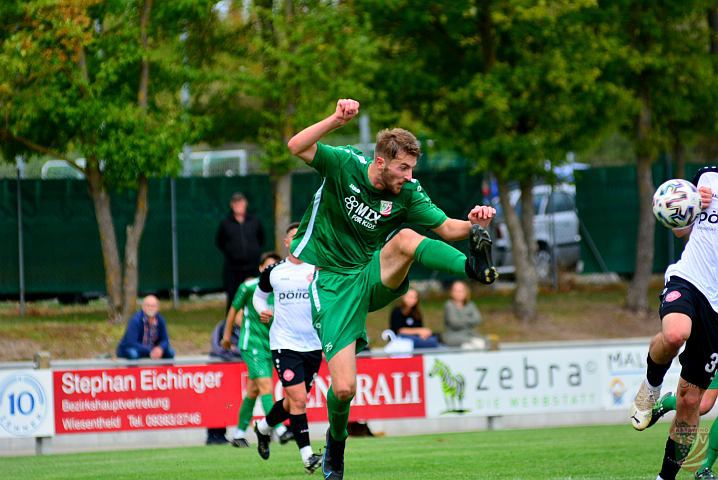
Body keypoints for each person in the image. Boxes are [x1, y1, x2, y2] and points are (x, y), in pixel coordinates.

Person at [287, 98, 498, 479]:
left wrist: (473, 223)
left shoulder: (407, 193)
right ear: (381, 161)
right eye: (403, 167)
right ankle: (336, 444)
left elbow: (447, 229)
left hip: (371, 274)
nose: (409, 175)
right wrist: (335, 120)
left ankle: (472, 267)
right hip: (333, 285)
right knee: (345, 390)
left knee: (403, 238)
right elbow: (296, 146)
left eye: (412, 167)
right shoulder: (344, 164)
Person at [628, 166, 716, 480]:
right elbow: (679, 226)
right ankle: (650, 388)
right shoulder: (708, 176)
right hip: (690, 279)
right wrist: (694, 205)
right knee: (677, 332)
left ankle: (664, 478)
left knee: (693, 402)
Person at [252, 223, 323, 474]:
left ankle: (263, 428)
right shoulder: (274, 271)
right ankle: (307, 457)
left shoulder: (317, 269)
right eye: (293, 237)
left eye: (302, 236)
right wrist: (263, 311)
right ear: (286, 242)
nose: (298, 240)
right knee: (300, 400)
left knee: (294, 401)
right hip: (284, 344)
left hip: (313, 345)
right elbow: (258, 296)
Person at [221, 251, 292, 448]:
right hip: (251, 344)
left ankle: (238, 433)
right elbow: (233, 310)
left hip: (271, 345)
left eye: (275, 266)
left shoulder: (282, 289)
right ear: (261, 268)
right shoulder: (249, 286)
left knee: (253, 391)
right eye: (268, 266)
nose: (272, 270)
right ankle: (280, 430)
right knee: (266, 387)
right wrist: (227, 337)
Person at [215, 192, 265, 312]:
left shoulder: (255, 221)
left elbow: (261, 239)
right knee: (233, 297)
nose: (239, 205)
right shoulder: (225, 223)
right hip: (233, 269)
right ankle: (231, 326)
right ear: (232, 205)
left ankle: (254, 321)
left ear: (245, 204)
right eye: (236, 203)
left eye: (241, 202)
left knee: (255, 295)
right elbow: (219, 242)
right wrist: (232, 253)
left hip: (252, 267)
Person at [116, 295, 175, 360]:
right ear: (143, 307)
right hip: (131, 348)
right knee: (133, 354)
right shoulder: (135, 320)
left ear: (157, 308)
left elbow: (165, 340)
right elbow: (131, 342)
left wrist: (160, 348)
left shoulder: (160, 320)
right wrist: (151, 350)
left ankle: (165, 370)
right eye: (148, 305)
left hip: (152, 350)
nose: (151, 308)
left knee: (170, 352)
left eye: (153, 306)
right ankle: (133, 370)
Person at [442, 280, 485, 349]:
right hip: (453, 336)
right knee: (469, 346)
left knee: (483, 342)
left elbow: (478, 319)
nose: (458, 293)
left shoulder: (470, 305)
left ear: (465, 292)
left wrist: (461, 319)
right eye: (456, 291)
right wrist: (469, 320)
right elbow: (454, 323)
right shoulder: (449, 305)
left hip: (470, 334)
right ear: (451, 292)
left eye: (460, 291)